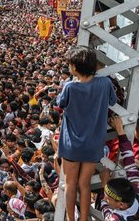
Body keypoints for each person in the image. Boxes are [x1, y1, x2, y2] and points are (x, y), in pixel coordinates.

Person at [57, 46, 118, 221]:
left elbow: (61, 104)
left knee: (70, 184)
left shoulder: (70, 87)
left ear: (75, 67)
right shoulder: (105, 83)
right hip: (93, 143)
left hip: (72, 144)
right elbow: (113, 100)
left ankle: (71, 218)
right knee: (85, 184)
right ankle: (84, 219)